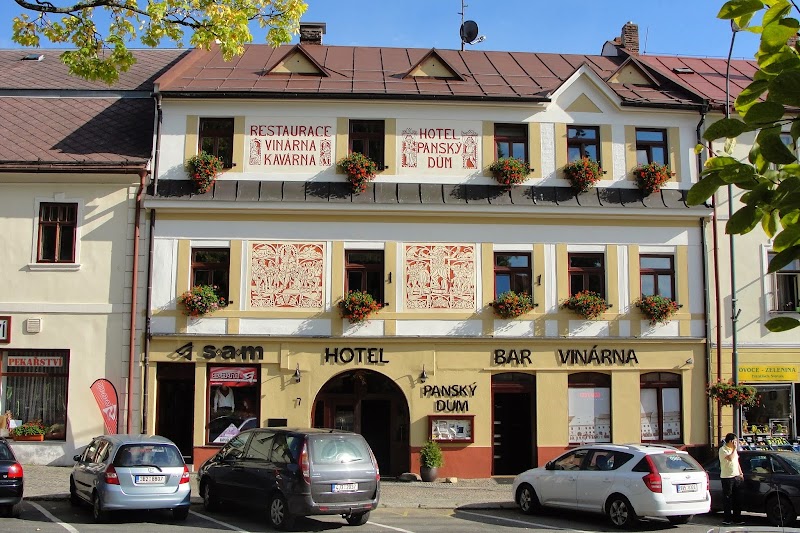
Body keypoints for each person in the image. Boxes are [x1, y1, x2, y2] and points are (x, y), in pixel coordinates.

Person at [719, 433, 744, 525]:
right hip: (727, 477)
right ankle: (727, 519)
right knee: (727, 498)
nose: (736, 443)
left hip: (736, 476)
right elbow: (730, 458)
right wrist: (734, 448)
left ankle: (737, 518)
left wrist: (740, 473)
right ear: (730, 441)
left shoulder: (733, 450)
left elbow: (736, 462)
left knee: (737, 498)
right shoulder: (723, 450)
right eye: (735, 441)